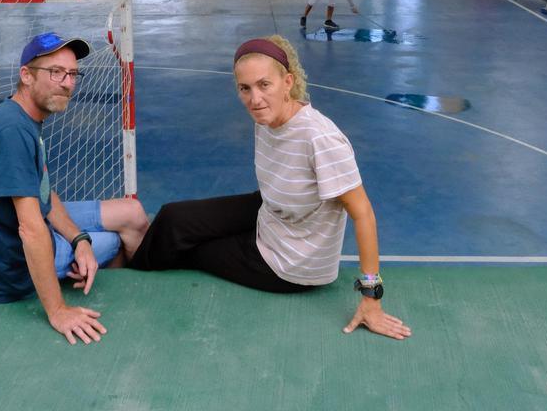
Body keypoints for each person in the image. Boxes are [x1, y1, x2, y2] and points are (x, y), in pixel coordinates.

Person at [129, 35, 411, 340]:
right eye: (245, 88)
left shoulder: (320, 139)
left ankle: (128, 267)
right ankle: (135, 253)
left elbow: (364, 214)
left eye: (265, 85)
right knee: (173, 217)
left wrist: (371, 298)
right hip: (275, 211)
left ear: (288, 82)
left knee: (192, 250)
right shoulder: (265, 118)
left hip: (290, 262)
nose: (255, 99)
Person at [0, 32, 149, 344]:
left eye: (73, 73)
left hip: (11, 236)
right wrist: (57, 311)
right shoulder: (12, 132)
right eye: (55, 72)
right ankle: (121, 302)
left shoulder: (23, 117)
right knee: (117, 240)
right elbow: (31, 228)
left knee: (133, 213)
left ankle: (96, 270)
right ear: (26, 76)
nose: (67, 83)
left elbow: (43, 193)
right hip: (10, 266)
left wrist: (79, 238)